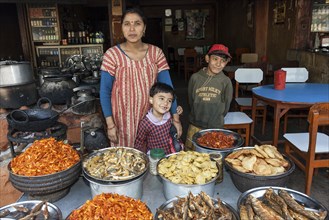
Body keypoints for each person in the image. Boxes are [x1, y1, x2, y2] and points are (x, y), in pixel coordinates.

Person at [99, 8, 182, 147]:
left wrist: (176, 119)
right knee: (126, 161)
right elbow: (104, 91)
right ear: (122, 28)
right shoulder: (112, 55)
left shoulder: (156, 54)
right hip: (122, 121)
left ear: (144, 28)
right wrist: (110, 124)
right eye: (127, 24)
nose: (132, 29)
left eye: (137, 23)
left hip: (153, 119)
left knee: (153, 158)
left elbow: (168, 89)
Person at [185, 44, 233, 150]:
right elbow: (190, 100)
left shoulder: (225, 81)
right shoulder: (195, 78)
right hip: (195, 125)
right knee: (191, 156)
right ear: (207, 58)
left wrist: (215, 118)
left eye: (223, 61)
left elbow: (226, 106)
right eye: (215, 59)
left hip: (215, 127)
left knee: (212, 157)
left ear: (226, 63)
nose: (218, 64)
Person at [135, 82, 183, 154]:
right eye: (161, 98)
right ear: (151, 100)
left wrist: (179, 112)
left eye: (169, 100)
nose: (166, 103)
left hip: (170, 154)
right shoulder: (146, 123)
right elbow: (139, 142)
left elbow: (175, 123)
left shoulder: (169, 116)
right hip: (155, 157)